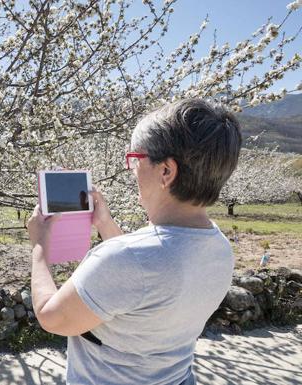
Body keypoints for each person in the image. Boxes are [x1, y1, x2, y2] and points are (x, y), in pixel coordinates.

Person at [27, 98, 242, 385]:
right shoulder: (219, 249)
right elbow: (142, 279)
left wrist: (39, 245)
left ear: (166, 171)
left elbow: (51, 318)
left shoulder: (123, 259)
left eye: (135, 160)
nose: (132, 170)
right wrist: (104, 223)